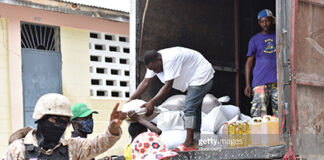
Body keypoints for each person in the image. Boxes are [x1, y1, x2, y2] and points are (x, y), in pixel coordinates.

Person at [129, 46, 214, 150]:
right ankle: (195, 139)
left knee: (188, 108)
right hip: (193, 79)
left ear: (159, 60)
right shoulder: (153, 62)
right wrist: (131, 99)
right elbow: (146, 82)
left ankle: (189, 143)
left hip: (202, 75)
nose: (155, 72)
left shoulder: (170, 59)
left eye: (155, 68)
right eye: (151, 69)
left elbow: (168, 86)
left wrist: (151, 102)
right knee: (194, 109)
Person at [4, 93, 126, 160]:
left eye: (65, 122)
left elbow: (98, 144)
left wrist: (113, 128)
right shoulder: (19, 149)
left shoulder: (71, 148)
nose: (60, 126)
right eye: (56, 120)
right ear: (41, 118)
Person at [244, 9, 278, 118]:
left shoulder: (278, 37)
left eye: (267, 21)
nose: (265, 24)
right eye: (262, 21)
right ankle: (259, 135)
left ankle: (281, 135)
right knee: (258, 114)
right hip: (260, 81)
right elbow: (249, 63)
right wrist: (248, 84)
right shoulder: (254, 40)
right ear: (259, 23)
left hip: (277, 82)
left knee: (281, 113)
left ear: (272, 21)